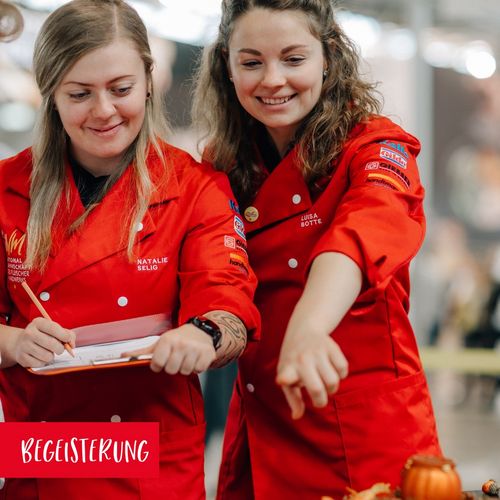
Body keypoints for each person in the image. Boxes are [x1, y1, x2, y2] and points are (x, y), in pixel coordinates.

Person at [0, 0, 259, 498]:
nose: (103, 111)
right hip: (41, 456)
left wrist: (203, 334)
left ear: (147, 79)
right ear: (50, 93)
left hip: (152, 457)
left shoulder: (195, 188)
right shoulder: (8, 189)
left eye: (121, 90)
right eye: (79, 94)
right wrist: (12, 344)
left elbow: (227, 302)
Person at [192, 0, 442, 498]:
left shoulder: (373, 147)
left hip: (362, 437)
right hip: (261, 431)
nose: (272, 79)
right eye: (251, 62)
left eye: (293, 58)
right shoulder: (222, 164)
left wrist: (308, 326)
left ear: (328, 57)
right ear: (227, 66)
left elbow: (363, 229)